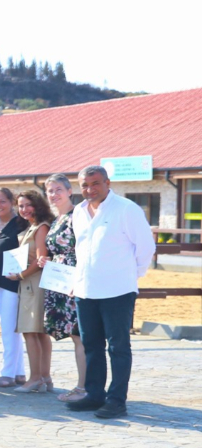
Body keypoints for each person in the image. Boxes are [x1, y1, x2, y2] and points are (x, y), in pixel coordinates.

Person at [66, 165, 155, 419]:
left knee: (118, 347)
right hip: (86, 290)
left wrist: (130, 274)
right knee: (92, 345)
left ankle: (116, 400)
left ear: (107, 182)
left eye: (95, 183)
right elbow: (81, 251)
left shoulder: (126, 209)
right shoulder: (79, 212)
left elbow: (146, 247)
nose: (89, 189)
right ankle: (95, 395)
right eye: (84, 185)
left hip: (118, 291)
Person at [41, 174, 88, 402]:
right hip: (58, 281)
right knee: (73, 335)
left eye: (58, 189)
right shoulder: (57, 219)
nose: (54, 194)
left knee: (80, 335)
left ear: (70, 191)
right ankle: (82, 386)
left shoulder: (78, 215)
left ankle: (84, 387)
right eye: (50, 191)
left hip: (75, 281)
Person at [11, 190, 54, 393]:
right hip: (30, 282)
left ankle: (35, 378)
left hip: (33, 283)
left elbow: (40, 260)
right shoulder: (32, 227)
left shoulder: (41, 228)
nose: (24, 209)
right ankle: (44, 377)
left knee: (31, 331)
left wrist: (20, 275)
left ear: (38, 204)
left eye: (28, 204)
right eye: (20, 206)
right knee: (39, 332)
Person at [0, 187, 26, 387]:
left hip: (12, 283)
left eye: (2, 201)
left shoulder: (20, 224)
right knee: (8, 328)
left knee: (9, 330)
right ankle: (19, 371)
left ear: (11, 202)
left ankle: (7, 373)